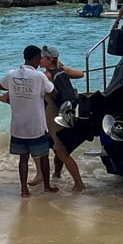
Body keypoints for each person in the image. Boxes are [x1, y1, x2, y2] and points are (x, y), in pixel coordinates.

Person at [0, 45, 58, 197]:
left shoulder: (12, 74)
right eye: (39, 58)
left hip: (18, 126)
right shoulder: (39, 76)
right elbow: (53, 92)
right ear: (36, 58)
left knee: (23, 159)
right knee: (43, 156)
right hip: (36, 126)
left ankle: (24, 190)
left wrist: (15, 89)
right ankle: (47, 187)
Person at [40, 46, 86, 192]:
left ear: (49, 59)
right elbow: (80, 74)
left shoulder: (46, 76)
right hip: (67, 112)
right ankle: (57, 174)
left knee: (60, 149)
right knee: (59, 145)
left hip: (53, 114)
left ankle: (79, 183)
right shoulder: (63, 71)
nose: (40, 59)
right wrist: (62, 69)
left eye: (42, 57)